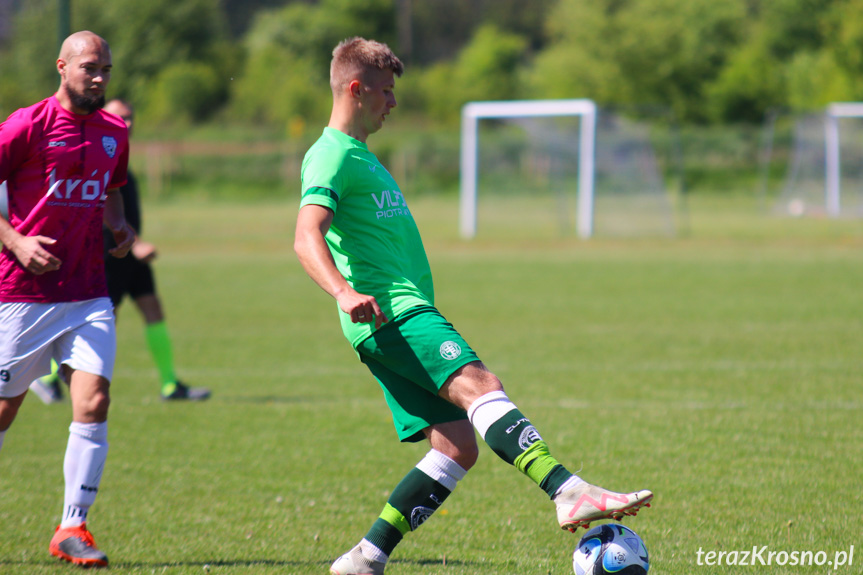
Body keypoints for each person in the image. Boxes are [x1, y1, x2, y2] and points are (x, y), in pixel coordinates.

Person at [294, 37, 654, 575]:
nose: (393, 103)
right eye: (386, 92)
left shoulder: (361, 155)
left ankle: (365, 558)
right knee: (482, 386)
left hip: (393, 316)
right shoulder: (330, 154)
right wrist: (344, 293)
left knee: (458, 445)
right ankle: (567, 490)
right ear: (356, 88)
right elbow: (305, 236)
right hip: (392, 313)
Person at [0, 31, 135, 568]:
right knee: (6, 411)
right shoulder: (26, 124)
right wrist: (16, 241)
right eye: (88, 68)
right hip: (23, 295)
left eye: (105, 68)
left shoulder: (114, 130)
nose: (99, 77)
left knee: (94, 399)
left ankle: (72, 526)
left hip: (88, 293)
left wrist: (119, 225)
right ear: (62, 66)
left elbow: (112, 187)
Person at [29, 99, 210, 402]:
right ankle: (46, 376)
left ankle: (169, 384)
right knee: (95, 322)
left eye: (130, 118)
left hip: (129, 254)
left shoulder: (121, 159)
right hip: (105, 257)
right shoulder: (96, 158)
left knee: (152, 308)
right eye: (120, 118)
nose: (127, 123)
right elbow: (94, 209)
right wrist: (136, 245)